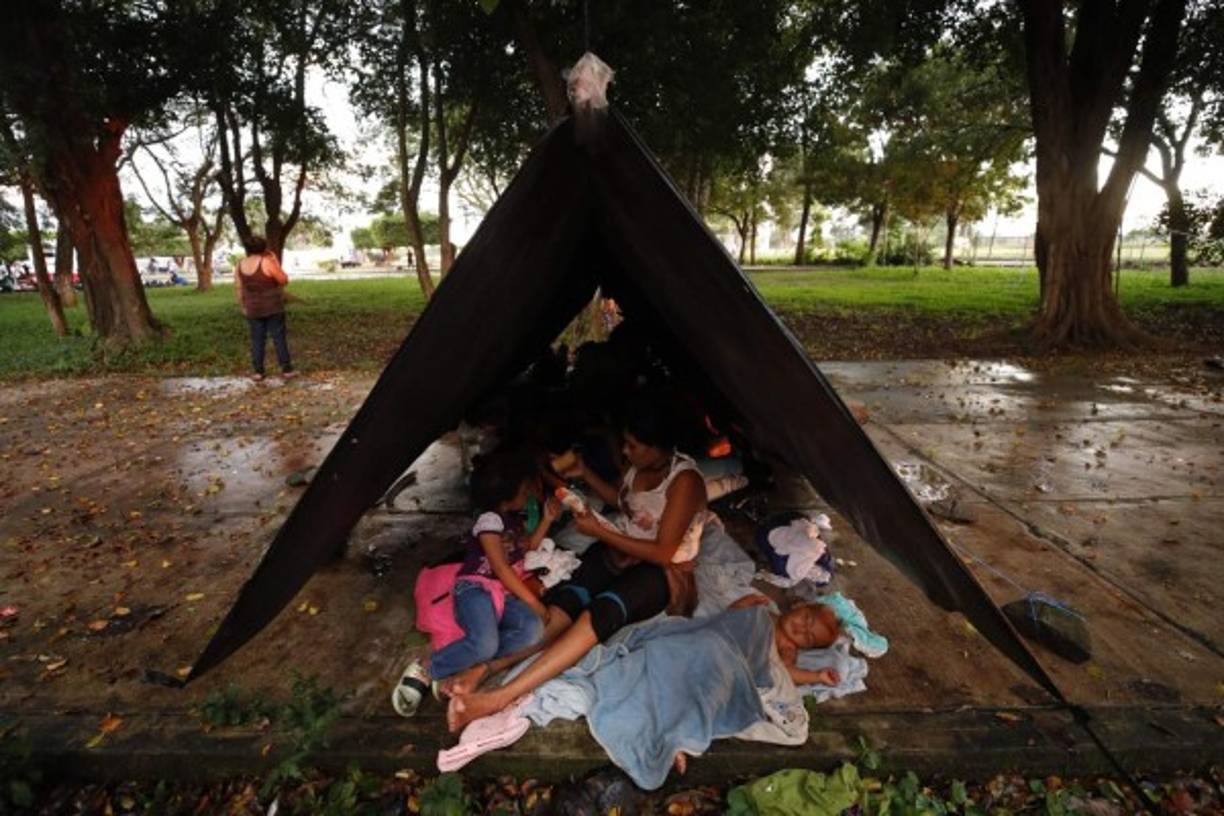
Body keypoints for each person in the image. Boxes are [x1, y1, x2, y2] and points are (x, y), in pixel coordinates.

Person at [446, 396, 709, 732]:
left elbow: (663, 552)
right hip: (622, 546)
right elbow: (626, 503)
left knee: (600, 612)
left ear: (659, 446)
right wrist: (585, 474)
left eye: (632, 445)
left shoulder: (685, 482)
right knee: (568, 599)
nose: (624, 451)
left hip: (661, 570)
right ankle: (487, 668)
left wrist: (599, 531)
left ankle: (501, 696)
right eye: (625, 443)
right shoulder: (639, 466)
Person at [727, 594, 842, 687]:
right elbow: (732, 614)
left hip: (735, 657)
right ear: (799, 606)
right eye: (805, 619)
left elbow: (785, 673)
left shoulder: (788, 647)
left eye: (807, 637)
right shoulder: (767, 612)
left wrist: (817, 676)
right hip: (726, 633)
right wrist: (745, 602)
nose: (801, 629)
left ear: (805, 647)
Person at [234, 236, 295, 381]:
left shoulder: (240, 264)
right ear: (264, 248)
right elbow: (283, 280)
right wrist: (275, 261)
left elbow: (238, 287)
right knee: (278, 337)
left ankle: (258, 372)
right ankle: (286, 370)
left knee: (257, 339)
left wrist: (242, 305)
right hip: (273, 306)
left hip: (253, 308)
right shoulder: (267, 262)